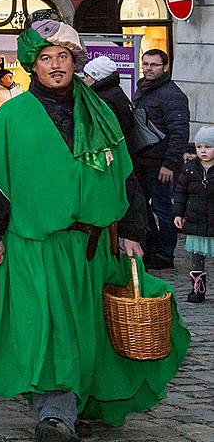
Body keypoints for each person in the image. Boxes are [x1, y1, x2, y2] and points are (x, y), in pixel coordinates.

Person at [0, 19, 189, 442]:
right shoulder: (13, 116)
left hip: (92, 245)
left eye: (63, 57)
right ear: (34, 65)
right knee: (48, 326)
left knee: (87, 330)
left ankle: (76, 403)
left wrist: (131, 229)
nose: (55, 65)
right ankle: (55, 411)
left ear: (75, 62)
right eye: (46, 58)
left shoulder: (101, 113)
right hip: (35, 243)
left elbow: (126, 177)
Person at [133, 49, 189, 270]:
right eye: (145, 64)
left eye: (154, 65)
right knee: (141, 207)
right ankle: (152, 247)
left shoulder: (172, 95)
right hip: (142, 161)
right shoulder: (142, 89)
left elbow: (179, 132)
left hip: (161, 164)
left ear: (165, 67)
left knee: (163, 209)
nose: (148, 68)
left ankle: (165, 254)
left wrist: (170, 164)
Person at [173, 126, 214, 303]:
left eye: (208, 146)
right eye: (199, 147)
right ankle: (197, 289)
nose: (203, 150)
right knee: (196, 257)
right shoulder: (190, 169)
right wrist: (178, 214)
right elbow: (181, 193)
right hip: (196, 219)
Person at [83, 56, 134, 144]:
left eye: (87, 76)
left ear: (97, 77)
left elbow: (105, 131)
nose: (85, 80)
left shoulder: (103, 99)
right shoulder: (114, 91)